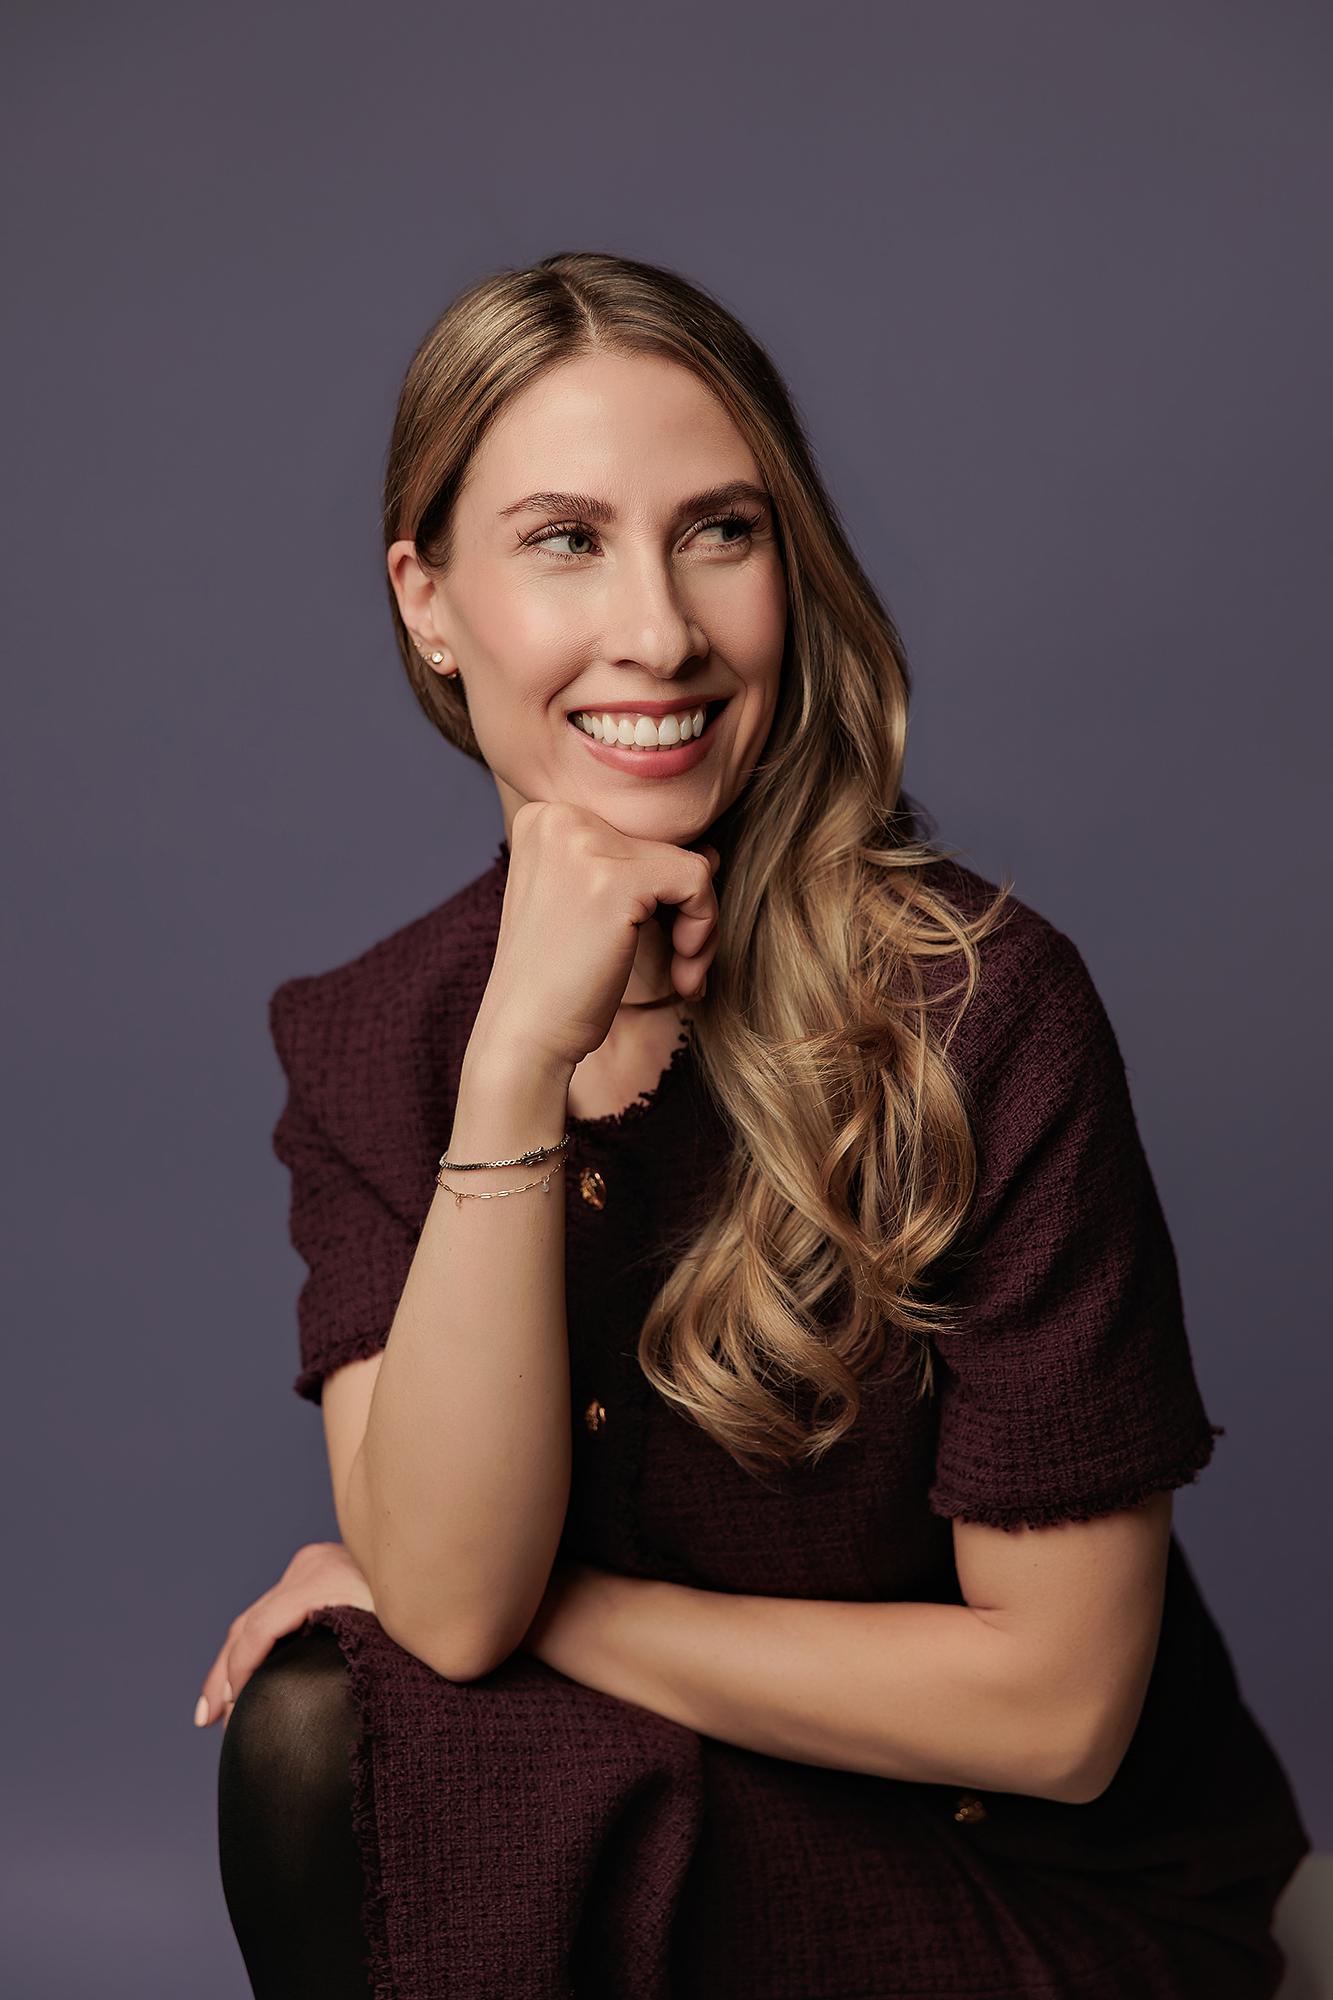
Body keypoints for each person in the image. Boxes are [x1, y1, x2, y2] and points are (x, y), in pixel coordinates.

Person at [202, 250, 1310, 1998]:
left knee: (353, 1710)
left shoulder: (978, 1006)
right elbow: (454, 1607)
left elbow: (1057, 1712)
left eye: (719, 532)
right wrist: (515, 1066)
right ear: (428, 600)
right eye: (565, 540)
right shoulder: (372, 1040)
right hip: (664, 1799)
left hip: (1035, 1894)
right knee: (313, 1735)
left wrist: (537, 1612)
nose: (661, 630)